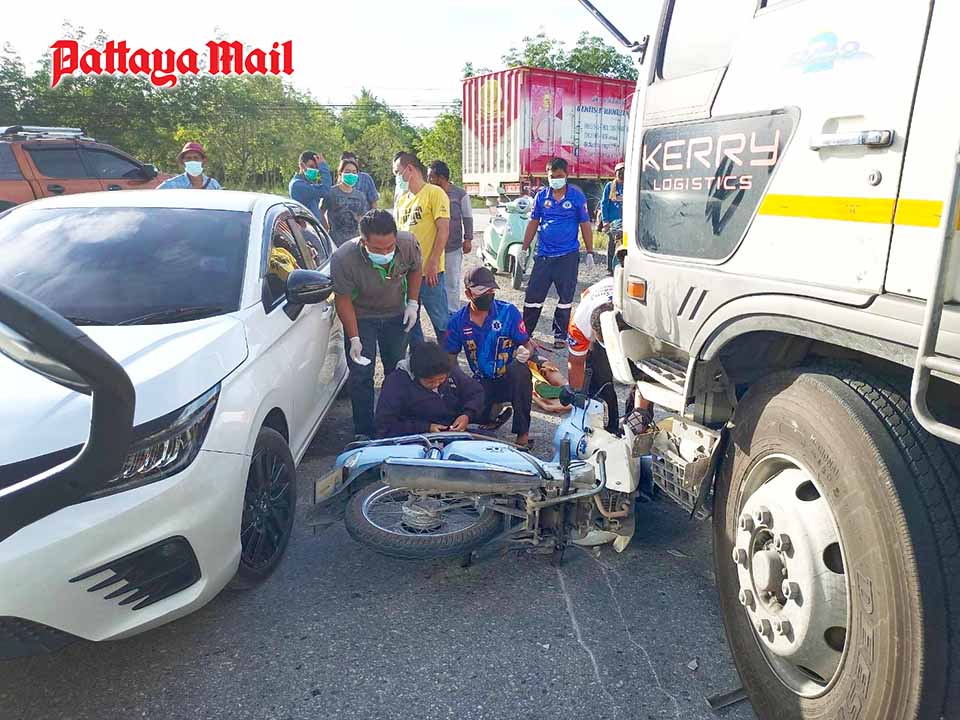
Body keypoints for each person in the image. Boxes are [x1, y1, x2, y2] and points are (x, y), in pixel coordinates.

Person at [331, 209, 423, 441]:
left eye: (389, 247)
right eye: (378, 249)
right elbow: (342, 299)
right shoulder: (344, 258)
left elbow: (415, 269)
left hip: (396, 314)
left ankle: (394, 423)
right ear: (364, 242)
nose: (385, 253)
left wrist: (412, 303)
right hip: (362, 316)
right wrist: (354, 338)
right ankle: (364, 430)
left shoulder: (407, 243)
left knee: (396, 368)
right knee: (361, 373)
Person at [445, 266, 538, 448]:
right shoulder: (458, 321)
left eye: (491, 290)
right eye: (482, 291)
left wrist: (526, 352)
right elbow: (450, 358)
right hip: (481, 381)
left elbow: (527, 343)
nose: (488, 295)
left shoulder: (508, 312)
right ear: (469, 293)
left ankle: (523, 435)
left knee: (520, 372)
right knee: (465, 415)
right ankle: (492, 413)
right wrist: (459, 383)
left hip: (508, 378)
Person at [521, 157, 595, 349]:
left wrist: (590, 251)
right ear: (547, 176)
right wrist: (524, 248)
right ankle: (525, 333)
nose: (555, 179)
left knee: (565, 299)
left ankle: (560, 335)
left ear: (566, 175)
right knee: (533, 297)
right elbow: (533, 222)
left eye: (559, 176)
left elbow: (585, 224)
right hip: (544, 256)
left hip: (567, 256)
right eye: (552, 176)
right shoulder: (541, 197)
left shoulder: (576, 196)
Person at [566, 276, 654, 434]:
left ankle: (637, 423)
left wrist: (640, 410)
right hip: (598, 314)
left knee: (638, 368)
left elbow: (648, 367)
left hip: (630, 324)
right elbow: (576, 363)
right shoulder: (579, 325)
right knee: (600, 379)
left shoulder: (641, 317)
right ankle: (609, 428)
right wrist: (577, 396)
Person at [393, 152, 451, 343]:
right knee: (411, 322)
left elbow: (443, 230)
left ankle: (447, 358)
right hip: (407, 274)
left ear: (409, 169)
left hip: (430, 273)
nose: (397, 177)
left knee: (441, 321)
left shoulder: (434, 193)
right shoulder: (402, 200)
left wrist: (433, 262)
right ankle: (418, 357)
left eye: (397, 172)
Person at [375, 341, 484, 438]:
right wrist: (426, 428)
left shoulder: (449, 371)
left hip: (454, 432)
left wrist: (467, 415)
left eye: (441, 379)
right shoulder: (396, 382)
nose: (436, 384)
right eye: (430, 382)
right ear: (417, 375)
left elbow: (476, 392)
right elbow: (385, 424)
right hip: (415, 438)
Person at [427, 160, 474, 318]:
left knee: (452, 283)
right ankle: (439, 315)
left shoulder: (460, 194)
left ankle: (452, 315)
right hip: (433, 248)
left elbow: (467, 217)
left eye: (431, 177)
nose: (428, 180)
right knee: (434, 284)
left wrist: (468, 238)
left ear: (441, 178)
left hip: (452, 248)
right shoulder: (429, 193)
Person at [323, 157, 372, 247]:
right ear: (340, 173)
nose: (351, 174)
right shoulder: (331, 192)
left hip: (355, 242)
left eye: (354, 172)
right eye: (347, 171)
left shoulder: (360, 196)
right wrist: (325, 228)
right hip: (335, 243)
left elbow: (362, 218)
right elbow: (321, 211)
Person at [289, 151, 332, 225]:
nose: (315, 170)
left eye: (317, 167)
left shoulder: (309, 184)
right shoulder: (297, 185)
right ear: (302, 165)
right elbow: (325, 190)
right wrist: (323, 166)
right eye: (311, 166)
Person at [601, 162, 625, 274]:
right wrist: (605, 220)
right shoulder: (610, 186)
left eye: (624, 171)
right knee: (612, 244)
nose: (622, 173)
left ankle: (623, 266)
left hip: (626, 222)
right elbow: (604, 204)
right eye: (620, 171)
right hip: (612, 222)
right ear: (615, 173)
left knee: (625, 244)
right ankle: (610, 268)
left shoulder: (630, 186)